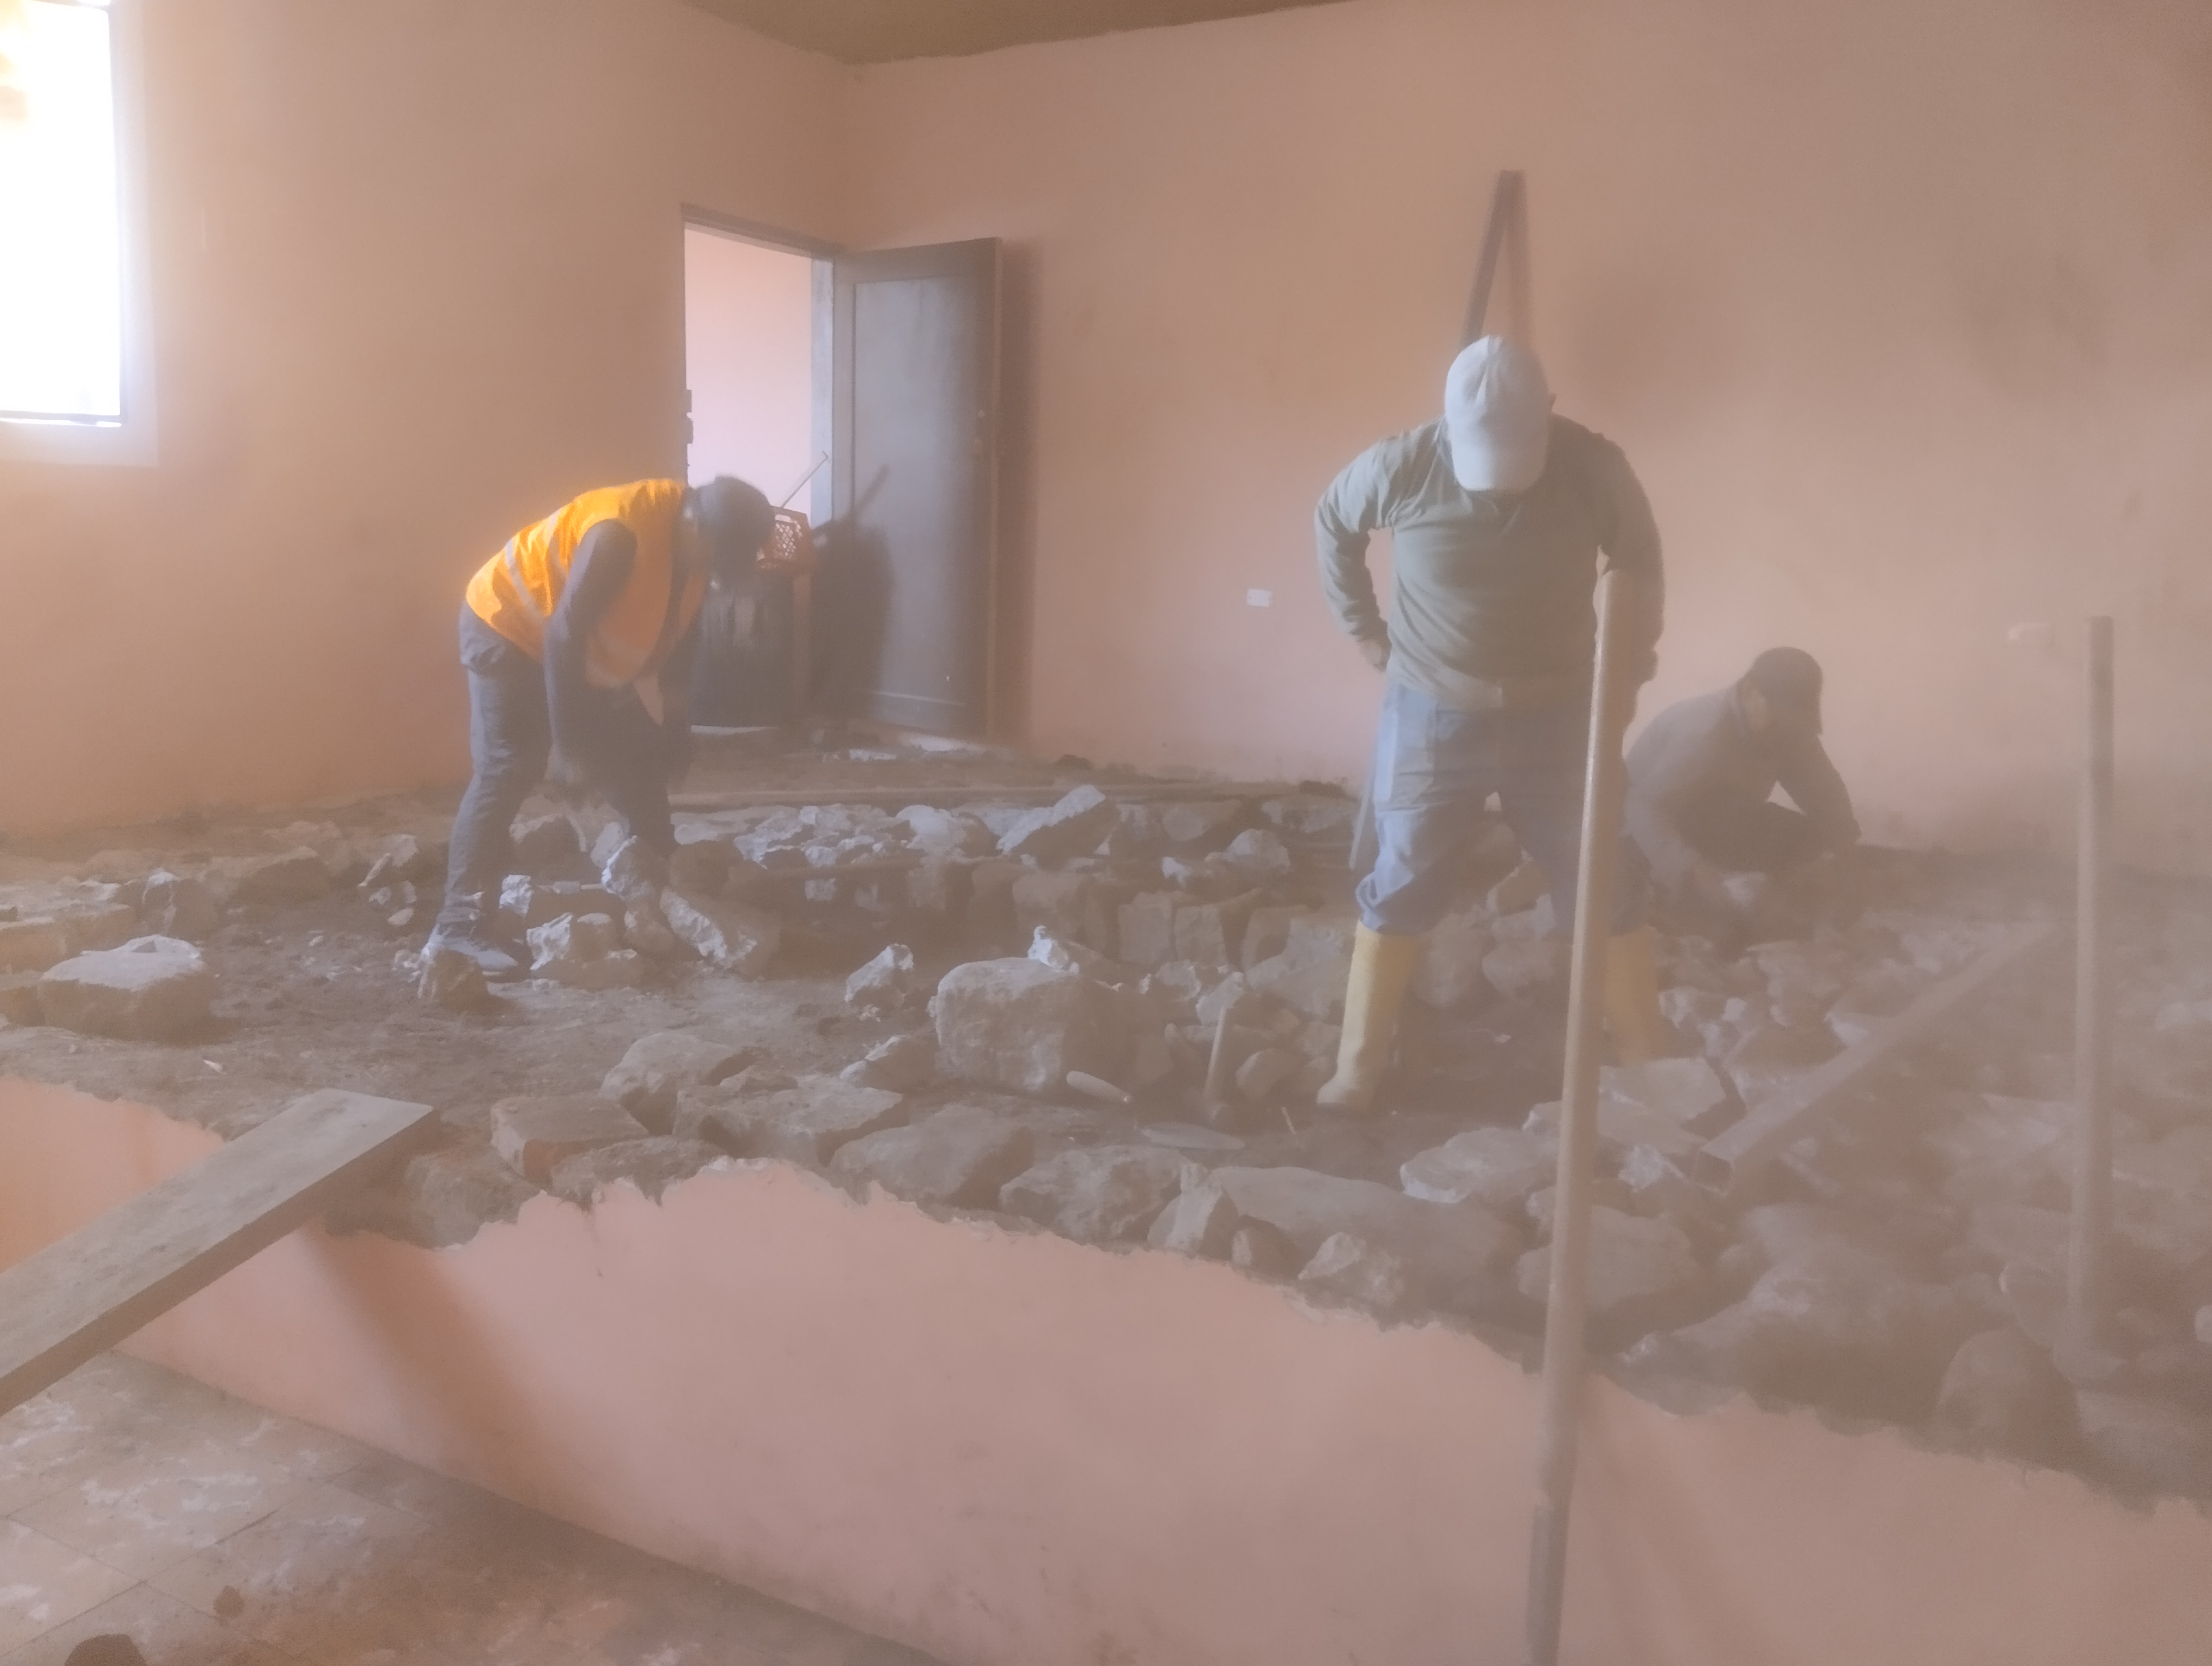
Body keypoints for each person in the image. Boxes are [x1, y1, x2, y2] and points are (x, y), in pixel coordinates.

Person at [1313, 336, 1670, 1113]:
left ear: (1550, 412)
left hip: (1561, 717)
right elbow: (1333, 521)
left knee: (1604, 878)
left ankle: (1649, 1066)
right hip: (1432, 714)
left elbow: (1641, 564)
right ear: (1447, 422)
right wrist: (1365, 630)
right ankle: (1358, 1071)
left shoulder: (1593, 468)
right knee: (1402, 879)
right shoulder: (1404, 464)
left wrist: (1628, 677)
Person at [426, 476, 775, 977]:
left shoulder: (698, 547)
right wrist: (571, 748)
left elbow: (684, 632)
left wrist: (676, 724)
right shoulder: (618, 537)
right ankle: (457, 928)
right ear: (697, 529)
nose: (713, 571)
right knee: (511, 763)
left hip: (581, 650)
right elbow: (562, 635)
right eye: (716, 559)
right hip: (509, 625)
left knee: (638, 753)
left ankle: (658, 870)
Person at [1626, 648, 1859, 926]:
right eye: (1779, 718)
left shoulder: (1790, 729)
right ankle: (1668, 895)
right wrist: (1696, 871)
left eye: (1794, 722)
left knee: (1806, 839)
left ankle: (1738, 891)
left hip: (1716, 821)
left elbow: (1822, 789)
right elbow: (1641, 808)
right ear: (1750, 692)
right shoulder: (1703, 732)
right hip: (1643, 835)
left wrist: (1847, 852)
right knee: (1731, 827)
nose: (1787, 731)